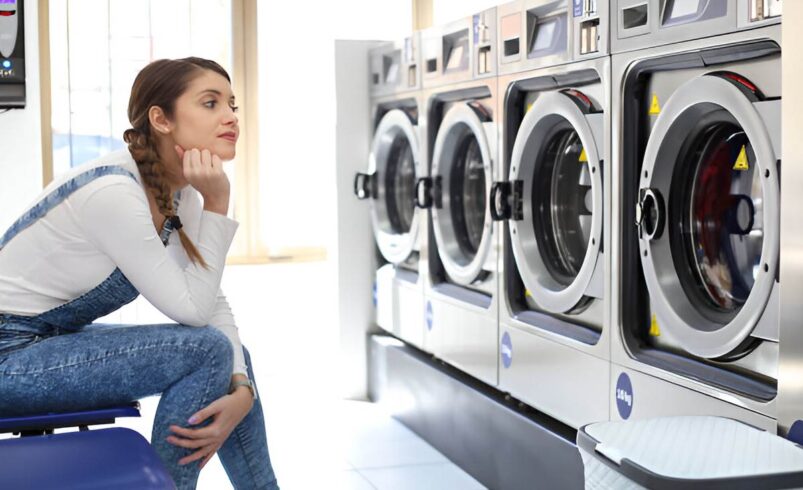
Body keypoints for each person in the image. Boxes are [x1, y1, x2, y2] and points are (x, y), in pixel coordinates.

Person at [0, 57, 279, 490]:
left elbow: (212, 302)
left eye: (232, 104)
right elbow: (192, 309)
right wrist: (219, 204)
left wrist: (242, 388)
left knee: (228, 353)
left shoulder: (176, 189)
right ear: (160, 119)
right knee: (207, 351)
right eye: (210, 103)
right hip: (7, 357)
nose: (230, 117)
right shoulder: (115, 193)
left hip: (42, 343)